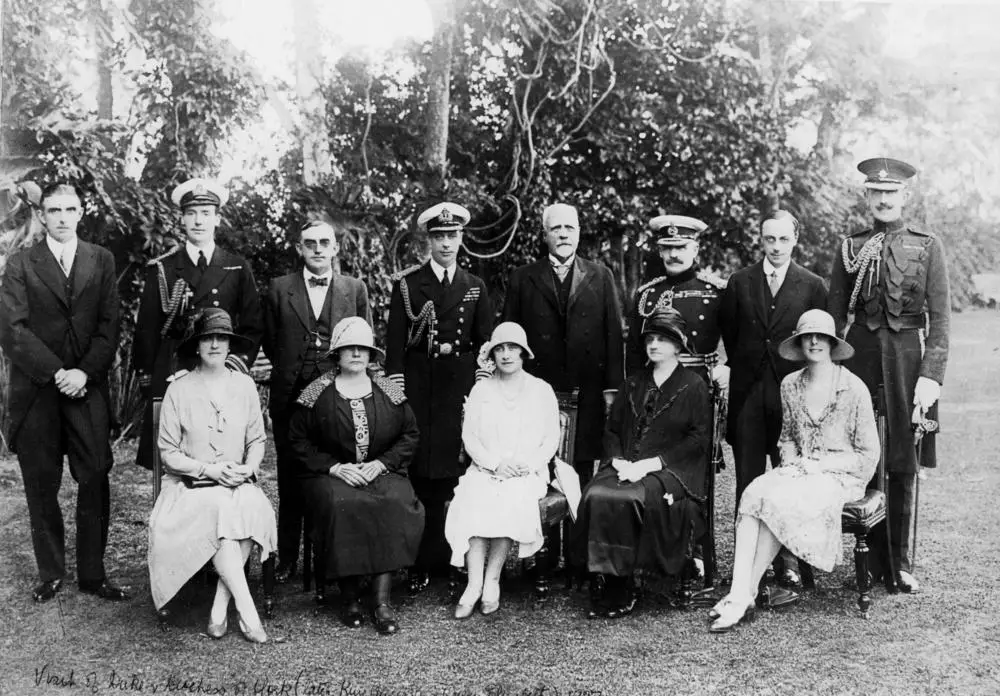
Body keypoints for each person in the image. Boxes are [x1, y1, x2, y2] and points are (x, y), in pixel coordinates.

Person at [708, 309, 879, 632]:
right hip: (800, 472)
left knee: (776, 502)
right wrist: (790, 465)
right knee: (754, 493)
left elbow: (868, 454)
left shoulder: (853, 388)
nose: (814, 342)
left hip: (841, 478)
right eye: (807, 337)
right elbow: (786, 438)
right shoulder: (790, 384)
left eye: (821, 336)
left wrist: (821, 466)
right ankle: (740, 591)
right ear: (799, 343)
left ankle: (743, 593)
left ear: (832, 342)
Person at [0, 182, 129, 603]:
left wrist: (83, 374)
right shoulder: (21, 263)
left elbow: (109, 326)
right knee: (41, 482)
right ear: (42, 215)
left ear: (80, 212)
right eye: (53, 210)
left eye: (69, 209)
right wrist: (58, 372)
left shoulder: (101, 259)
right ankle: (51, 573)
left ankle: (93, 574)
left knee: (95, 474)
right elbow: (12, 331)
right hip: (38, 390)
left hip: (86, 388)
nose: (61, 217)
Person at [828, 158, 950, 593]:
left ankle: (898, 563)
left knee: (902, 457)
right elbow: (832, 317)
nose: (883, 199)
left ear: (905, 197)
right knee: (861, 455)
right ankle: (866, 561)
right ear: (867, 196)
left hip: (907, 362)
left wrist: (930, 376)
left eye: (891, 193)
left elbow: (941, 320)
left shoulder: (928, 246)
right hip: (859, 356)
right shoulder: (850, 247)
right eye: (876, 192)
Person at [572, 307, 711, 620]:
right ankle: (604, 575)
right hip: (625, 464)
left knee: (631, 497)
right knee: (596, 493)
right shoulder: (633, 383)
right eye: (651, 338)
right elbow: (611, 428)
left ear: (678, 345)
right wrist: (618, 459)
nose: (654, 344)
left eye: (663, 339)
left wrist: (652, 464)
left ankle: (623, 584)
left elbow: (698, 441)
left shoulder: (694, 385)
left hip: (672, 470)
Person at [288, 317, 424, 635]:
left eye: (362, 348)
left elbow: (410, 434)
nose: (356, 354)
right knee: (342, 504)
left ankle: (381, 601)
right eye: (348, 348)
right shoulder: (315, 393)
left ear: (371, 354)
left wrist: (381, 464)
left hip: (380, 470)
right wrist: (335, 467)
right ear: (336, 353)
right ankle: (349, 597)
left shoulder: (388, 390)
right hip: (332, 474)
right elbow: (298, 440)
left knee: (395, 500)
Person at [149, 308, 276, 643]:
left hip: (235, 481)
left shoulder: (245, 385)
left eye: (222, 338)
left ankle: (219, 607)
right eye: (208, 338)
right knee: (222, 510)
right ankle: (247, 611)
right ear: (198, 345)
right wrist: (210, 469)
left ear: (230, 345)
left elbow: (257, 440)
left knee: (254, 506)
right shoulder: (179, 389)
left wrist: (248, 468)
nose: (215, 345)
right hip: (190, 488)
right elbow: (169, 453)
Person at [385, 202, 493, 595]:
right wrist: (398, 395)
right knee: (421, 477)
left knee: (458, 475)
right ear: (427, 240)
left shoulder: (476, 286)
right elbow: (394, 348)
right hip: (419, 388)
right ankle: (420, 560)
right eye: (439, 236)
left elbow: (486, 344)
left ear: (462, 238)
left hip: (460, 389)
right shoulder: (408, 286)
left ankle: (457, 557)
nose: (446, 243)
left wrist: (480, 388)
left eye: (453, 236)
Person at [719, 209, 828, 596]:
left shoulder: (812, 285)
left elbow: (817, 343)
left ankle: (789, 564)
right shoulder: (740, 282)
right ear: (760, 240)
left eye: (784, 239)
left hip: (792, 398)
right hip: (749, 396)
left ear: (795, 240)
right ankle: (747, 564)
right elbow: (732, 338)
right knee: (748, 482)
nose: (777, 246)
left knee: (789, 481)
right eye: (770, 239)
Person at [262, 220, 371, 584]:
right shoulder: (279, 289)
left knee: (334, 475)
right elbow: (270, 340)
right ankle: (287, 558)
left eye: (325, 242)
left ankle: (333, 559)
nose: (318, 249)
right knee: (291, 478)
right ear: (300, 248)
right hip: (290, 399)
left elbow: (364, 341)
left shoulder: (354, 289)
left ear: (336, 247)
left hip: (336, 397)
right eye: (310, 243)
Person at [133, 178, 263, 473]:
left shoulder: (236, 266)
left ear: (217, 218)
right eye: (191, 213)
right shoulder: (163, 268)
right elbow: (147, 327)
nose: (198, 220)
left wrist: (237, 363)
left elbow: (253, 324)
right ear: (181, 218)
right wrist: (147, 375)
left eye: (205, 213)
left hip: (221, 370)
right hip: (173, 370)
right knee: (168, 460)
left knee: (220, 454)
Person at [624, 214, 727, 583]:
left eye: (681, 247)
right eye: (667, 248)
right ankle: (652, 544)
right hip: (653, 391)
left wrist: (724, 368)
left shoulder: (715, 290)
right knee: (649, 462)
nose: (673, 254)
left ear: (696, 248)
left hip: (697, 386)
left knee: (689, 466)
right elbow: (635, 353)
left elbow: (732, 338)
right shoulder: (646, 294)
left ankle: (695, 550)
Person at [445, 322, 561, 618]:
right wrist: (494, 463)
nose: (506, 355)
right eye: (500, 349)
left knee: (509, 498)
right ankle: (473, 583)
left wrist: (529, 464)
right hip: (486, 467)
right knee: (473, 497)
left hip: (525, 472)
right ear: (492, 355)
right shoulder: (481, 389)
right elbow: (469, 437)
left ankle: (493, 579)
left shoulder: (541, 390)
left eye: (512, 348)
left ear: (523, 352)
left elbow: (550, 438)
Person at [502, 202, 623, 485]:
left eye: (569, 227)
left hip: (587, 391)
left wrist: (612, 389)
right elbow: (510, 336)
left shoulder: (601, 276)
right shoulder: (522, 278)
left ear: (579, 233)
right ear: (544, 235)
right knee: (535, 467)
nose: (563, 234)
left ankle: (577, 529)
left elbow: (614, 336)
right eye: (556, 228)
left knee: (580, 472)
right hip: (536, 390)